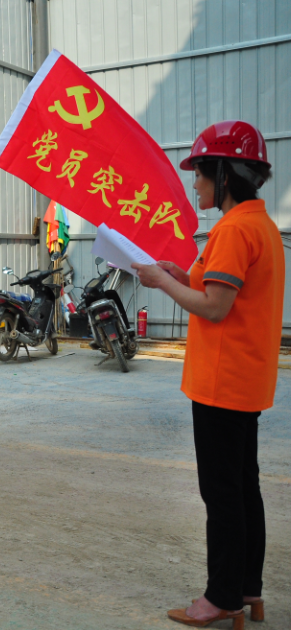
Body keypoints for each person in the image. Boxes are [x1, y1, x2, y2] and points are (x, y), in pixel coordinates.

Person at [132, 121, 282, 628]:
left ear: (224, 174)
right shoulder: (257, 224)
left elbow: (215, 307)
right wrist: (177, 274)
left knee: (221, 495)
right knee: (243, 489)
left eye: (200, 172)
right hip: (245, 379)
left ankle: (222, 598)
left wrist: (160, 281)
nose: (194, 183)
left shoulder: (234, 230)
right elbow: (214, 285)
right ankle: (247, 590)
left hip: (221, 382)